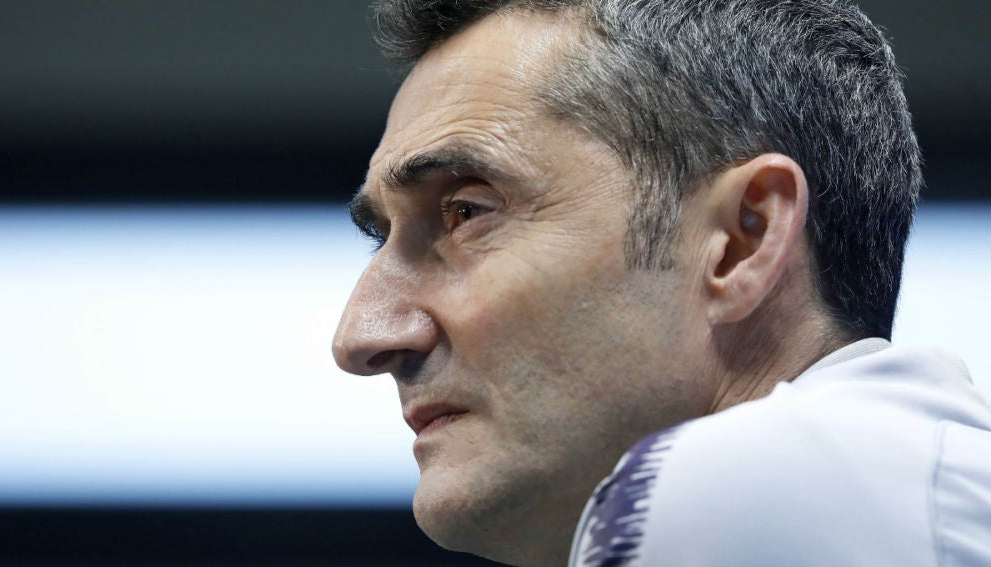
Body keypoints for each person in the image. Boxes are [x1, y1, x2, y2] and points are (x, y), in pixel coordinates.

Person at [332, 1, 991, 565]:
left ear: (741, 240)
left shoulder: (743, 487)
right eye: (380, 234)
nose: (360, 335)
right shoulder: (899, 478)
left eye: (466, 213)